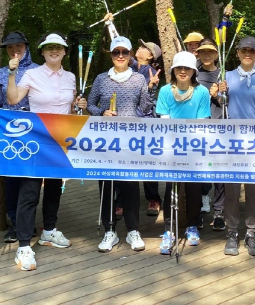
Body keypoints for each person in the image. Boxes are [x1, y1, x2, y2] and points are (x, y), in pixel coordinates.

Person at [6, 33, 76, 271]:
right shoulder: (31, 74)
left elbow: (71, 110)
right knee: (29, 192)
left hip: (60, 142)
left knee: (55, 188)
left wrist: (80, 106)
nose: (54, 51)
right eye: (49, 48)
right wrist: (12, 73)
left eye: (58, 47)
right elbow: (14, 99)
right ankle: (24, 245)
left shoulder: (70, 77)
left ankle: (48, 231)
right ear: (43, 52)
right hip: (35, 141)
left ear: (65, 52)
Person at [84, 36, 155, 252]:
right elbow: (90, 105)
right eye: (116, 53)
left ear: (130, 55)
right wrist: (102, 112)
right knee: (107, 184)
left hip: (130, 140)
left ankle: (133, 229)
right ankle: (110, 231)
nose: (121, 56)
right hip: (106, 139)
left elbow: (145, 108)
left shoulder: (138, 79)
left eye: (125, 52)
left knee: (130, 185)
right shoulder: (101, 79)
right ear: (112, 55)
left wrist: (151, 90)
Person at [216, 36, 255, 256]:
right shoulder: (227, 76)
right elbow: (222, 104)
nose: (247, 53)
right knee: (231, 190)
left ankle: (251, 233)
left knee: (254, 190)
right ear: (238, 53)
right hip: (231, 140)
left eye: (252, 50)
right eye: (244, 50)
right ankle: (232, 232)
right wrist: (219, 92)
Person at [155, 51, 211, 254]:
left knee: (194, 188)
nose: (183, 71)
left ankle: (192, 225)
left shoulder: (202, 92)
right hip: (171, 146)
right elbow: (164, 117)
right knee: (172, 187)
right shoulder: (165, 91)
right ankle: (169, 229)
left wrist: (189, 140)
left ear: (193, 71)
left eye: (187, 68)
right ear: (173, 71)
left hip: (194, 146)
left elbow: (202, 120)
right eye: (179, 68)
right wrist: (175, 141)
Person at [0, 31, 40, 244]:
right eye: (10, 47)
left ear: (26, 47)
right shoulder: (1, 73)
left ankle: (28, 223)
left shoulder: (39, 70)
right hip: (9, 132)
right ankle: (15, 224)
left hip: (35, 131)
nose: (14, 50)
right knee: (11, 180)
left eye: (18, 45)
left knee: (32, 179)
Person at [133, 39, 165, 217]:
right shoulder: (129, 66)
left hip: (145, 122)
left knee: (147, 160)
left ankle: (153, 198)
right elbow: (118, 42)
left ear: (151, 55)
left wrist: (150, 86)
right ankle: (121, 201)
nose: (139, 48)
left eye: (144, 48)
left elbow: (149, 99)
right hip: (127, 119)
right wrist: (109, 23)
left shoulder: (151, 71)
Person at [195, 38, 224, 229]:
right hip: (198, 130)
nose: (207, 55)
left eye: (210, 52)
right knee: (199, 171)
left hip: (219, 128)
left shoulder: (224, 75)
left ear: (216, 54)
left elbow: (228, 104)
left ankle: (219, 212)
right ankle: (198, 208)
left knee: (219, 173)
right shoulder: (193, 75)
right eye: (202, 52)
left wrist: (219, 95)